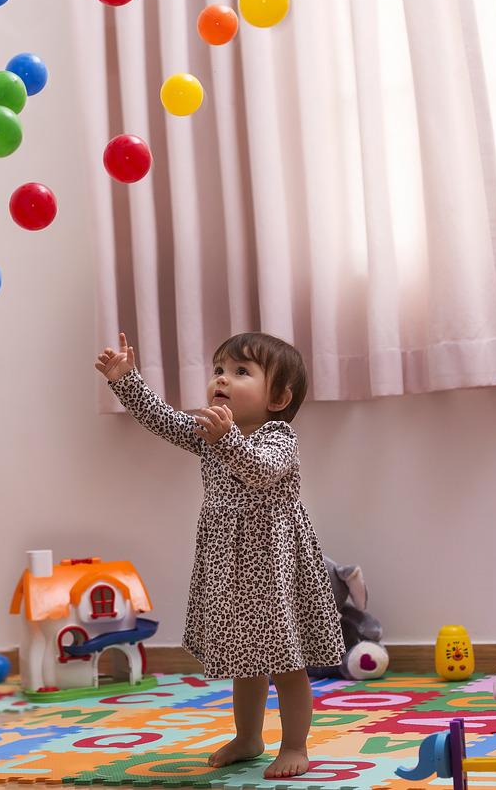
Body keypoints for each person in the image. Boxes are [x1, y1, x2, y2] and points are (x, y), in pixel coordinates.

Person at [95, 331, 343, 779]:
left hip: (274, 564)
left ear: (279, 396)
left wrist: (227, 439)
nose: (222, 380)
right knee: (244, 662)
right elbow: (164, 420)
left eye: (240, 372)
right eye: (218, 371)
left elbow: (261, 471)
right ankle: (249, 738)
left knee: (286, 663)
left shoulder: (278, 435)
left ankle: (295, 745)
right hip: (228, 564)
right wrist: (126, 379)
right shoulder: (211, 433)